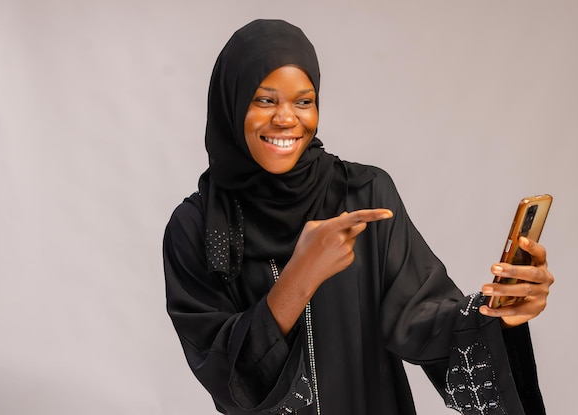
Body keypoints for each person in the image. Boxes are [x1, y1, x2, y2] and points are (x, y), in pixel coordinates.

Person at [163, 19, 553, 415]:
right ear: (231, 103)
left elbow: (423, 320)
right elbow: (225, 376)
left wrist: (500, 311)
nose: (286, 119)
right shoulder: (198, 229)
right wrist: (301, 276)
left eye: (303, 101)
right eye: (265, 100)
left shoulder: (362, 197)